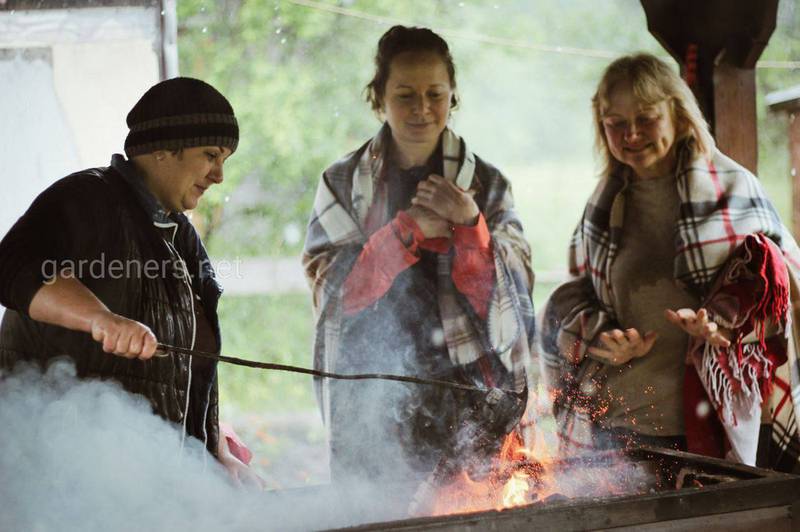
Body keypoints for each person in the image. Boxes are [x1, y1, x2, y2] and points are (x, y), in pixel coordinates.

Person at [540, 53, 800, 468]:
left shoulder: (734, 189)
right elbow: (572, 301)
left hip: (712, 431)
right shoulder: (604, 207)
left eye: (646, 118)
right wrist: (606, 341)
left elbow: (785, 292)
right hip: (620, 432)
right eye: (616, 123)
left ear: (677, 113)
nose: (632, 134)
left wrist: (725, 327)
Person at [303, 26, 535, 488]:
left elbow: (517, 290)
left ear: (453, 97)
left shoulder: (486, 184)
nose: (422, 109)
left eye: (435, 94)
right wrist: (405, 234)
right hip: (375, 388)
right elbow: (331, 290)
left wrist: (472, 227)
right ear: (378, 98)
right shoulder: (343, 182)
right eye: (405, 95)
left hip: (474, 391)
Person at [0, 77, 256, 481]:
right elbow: (13, 266)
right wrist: (100, 319)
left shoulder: (182, 236)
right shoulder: (87, 198)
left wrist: (215, 449)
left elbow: (194, 365)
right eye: (210, 154)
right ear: (163, 149)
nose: (219, 175)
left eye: (224, 158)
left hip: (145, 486)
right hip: (60, 482)